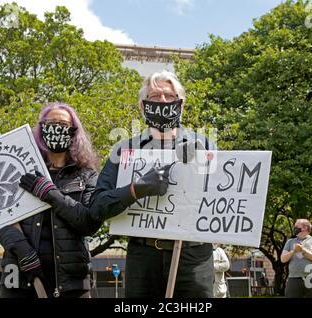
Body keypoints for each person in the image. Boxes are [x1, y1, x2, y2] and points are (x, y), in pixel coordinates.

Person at [88, 70, 216, 297]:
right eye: (155, 96)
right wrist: (135, 189)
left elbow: (221, 197)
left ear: (181, 104)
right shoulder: (124, 150)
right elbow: (97, 206)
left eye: (169, 95)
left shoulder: (204, 144)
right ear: (143, 106)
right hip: (144, 258)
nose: (163, 100)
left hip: (193, 257)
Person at [0, 102, 101, 298]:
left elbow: (88, 222)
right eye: (51, 122)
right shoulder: (19, 168)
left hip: (71, 282)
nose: (56, 127)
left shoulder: (87, 175)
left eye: (63, 123)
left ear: (73, 132)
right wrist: (22, 251)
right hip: (20, 275)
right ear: (41, 128)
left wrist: (48, 192)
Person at [281, 219, 312, 298]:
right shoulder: (290, 242)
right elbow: (283, 259)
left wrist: (303, 250)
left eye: (296, 226)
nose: (294, 228)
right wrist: (293, 251)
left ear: (304, 228)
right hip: (293, 278)